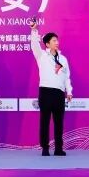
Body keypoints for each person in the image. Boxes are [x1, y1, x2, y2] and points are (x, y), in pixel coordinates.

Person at [30, 20, 72, 156]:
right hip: (46, 92)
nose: (57, 42)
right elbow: (34, 45)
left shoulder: (63, 59)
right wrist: (34, 30)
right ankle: (45, 148)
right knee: (45, 121)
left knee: (59, 122)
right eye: (54, 40)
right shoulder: (42, 56)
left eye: (57, 40)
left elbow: (66, 76)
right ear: (47, 44)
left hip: (59, 93)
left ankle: (59, 148)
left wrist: (69, 91)